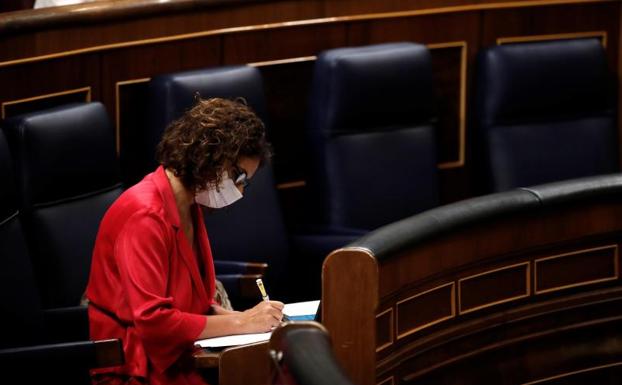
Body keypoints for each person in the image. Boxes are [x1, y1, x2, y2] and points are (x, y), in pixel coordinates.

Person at [86, 97, 284, 385]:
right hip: (135, 369)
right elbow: (154, 322)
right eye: (239, 176)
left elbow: (195, 306)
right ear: (211, 156)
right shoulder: (145, 215)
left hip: (182, 358)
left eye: (247, 182)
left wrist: (253, 321)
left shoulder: (189, 205)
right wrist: (242, 322)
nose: (241, 190)